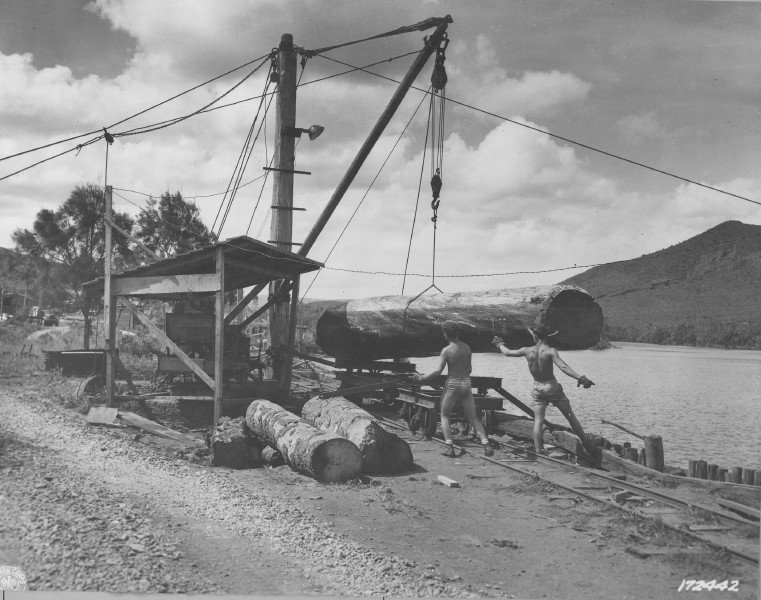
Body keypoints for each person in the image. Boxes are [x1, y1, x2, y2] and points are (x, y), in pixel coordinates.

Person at [491, 325, 597, 457]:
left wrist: (499, 344)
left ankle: (538, 450)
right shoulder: (550, 351)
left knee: (538, 420)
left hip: (537, 388)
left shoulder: (527, 350)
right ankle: (586, 443)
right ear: (547, 336)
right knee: (570, 416)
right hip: (552, 388)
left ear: (535, 336)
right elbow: (563, 367)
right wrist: (581, 378)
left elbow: (507, 352)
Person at [412, 321, 494, 458]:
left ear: (445, 334)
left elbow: (438, 371)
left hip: (453, 383)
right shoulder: (467, 348)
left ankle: (449, 448)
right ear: (457, 333)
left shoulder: (446, 350)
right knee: (473, 418)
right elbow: (469, 369)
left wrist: (421, 378)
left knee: (444, 415)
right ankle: (486, 444)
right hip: (466, 382)